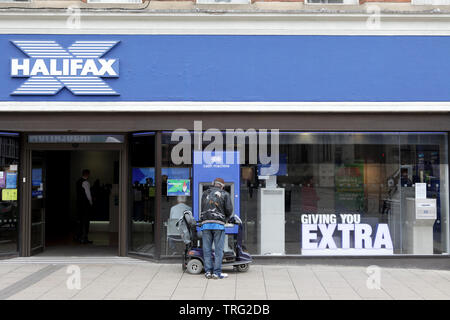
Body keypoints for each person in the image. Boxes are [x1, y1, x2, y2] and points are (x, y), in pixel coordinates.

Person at [199, 177, 233, 280]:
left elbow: (202, 208)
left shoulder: (205, 194)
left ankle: (208, 272)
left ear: (213, 184)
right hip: (218, 225)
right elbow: (229, 210)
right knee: (218, 250)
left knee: (207, 249)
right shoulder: (225, 194)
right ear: (222, 186)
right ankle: (217, 273)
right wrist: (225, 219)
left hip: (206, 224)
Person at [75, 169, 93, 244]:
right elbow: (88, 194)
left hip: (79, 204)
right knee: (86, 222)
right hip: (85, 205)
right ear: (87, 174)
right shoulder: (86, 182)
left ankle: (78, 237)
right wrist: (91, 202)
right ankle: (84, 238)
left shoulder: (78, 182)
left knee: (80, 221)